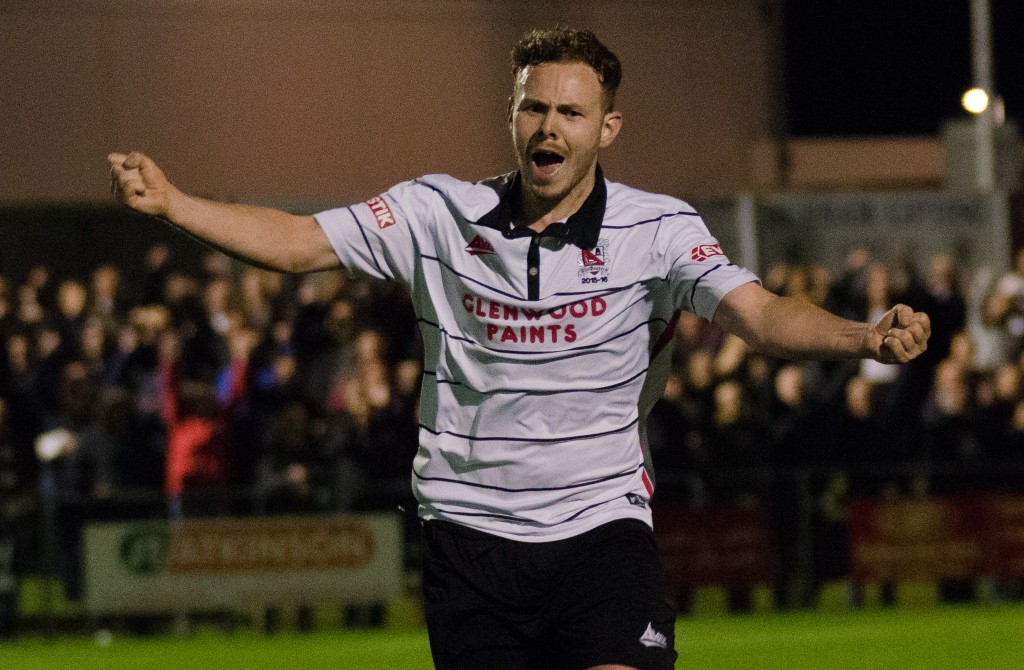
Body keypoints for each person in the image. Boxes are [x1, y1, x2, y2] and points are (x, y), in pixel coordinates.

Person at [109, 27, 930, 670]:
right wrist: (176, 203)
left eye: (570, 112)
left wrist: (862, 336)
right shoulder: (436, 212)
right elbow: (296, 242)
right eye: (533, 107)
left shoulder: (662, 229)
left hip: (601, 529)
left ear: (606, 127)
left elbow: (758, 315)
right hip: (469, 538)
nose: (548, 126)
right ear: (512, 115)